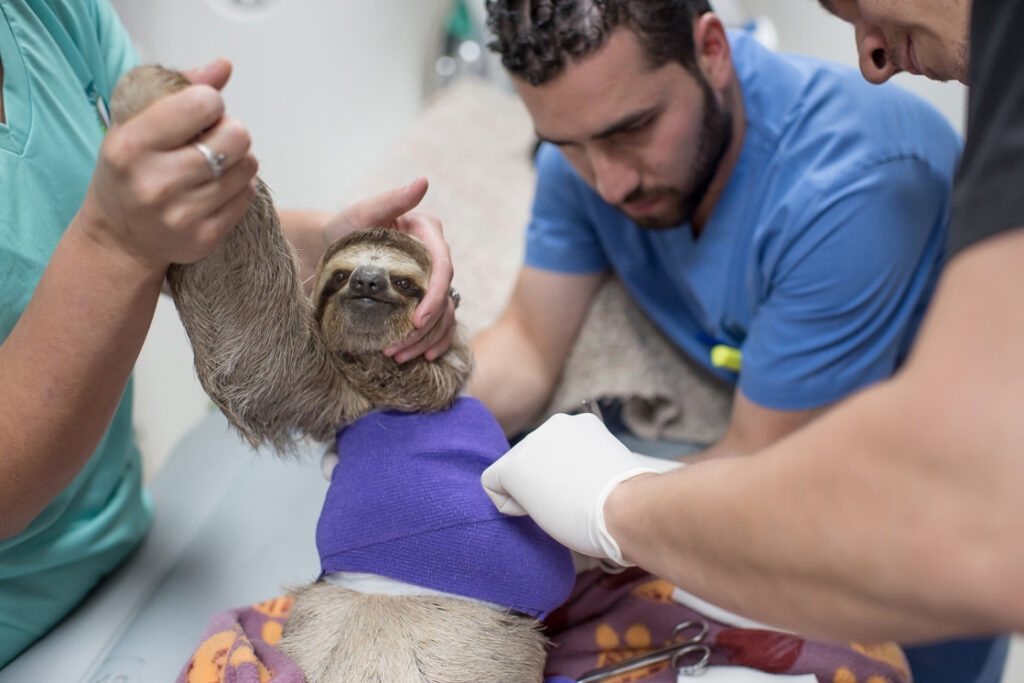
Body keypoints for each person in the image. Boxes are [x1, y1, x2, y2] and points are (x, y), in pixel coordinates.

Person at [470, 1, 1009, 681]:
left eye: (634, 129)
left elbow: (761, 457)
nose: (609, 181)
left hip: (926, 528)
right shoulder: (584, 153)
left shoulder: (858, 180)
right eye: (568, 145)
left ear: (713, 51)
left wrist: (590, 513)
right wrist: (392, 416)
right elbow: (524, 348)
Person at [0, 0, 455, 666]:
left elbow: (176, 223)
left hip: (125, 548)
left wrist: (330, 251)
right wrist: (115, 241)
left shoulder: (48, 14)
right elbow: (125, 227)